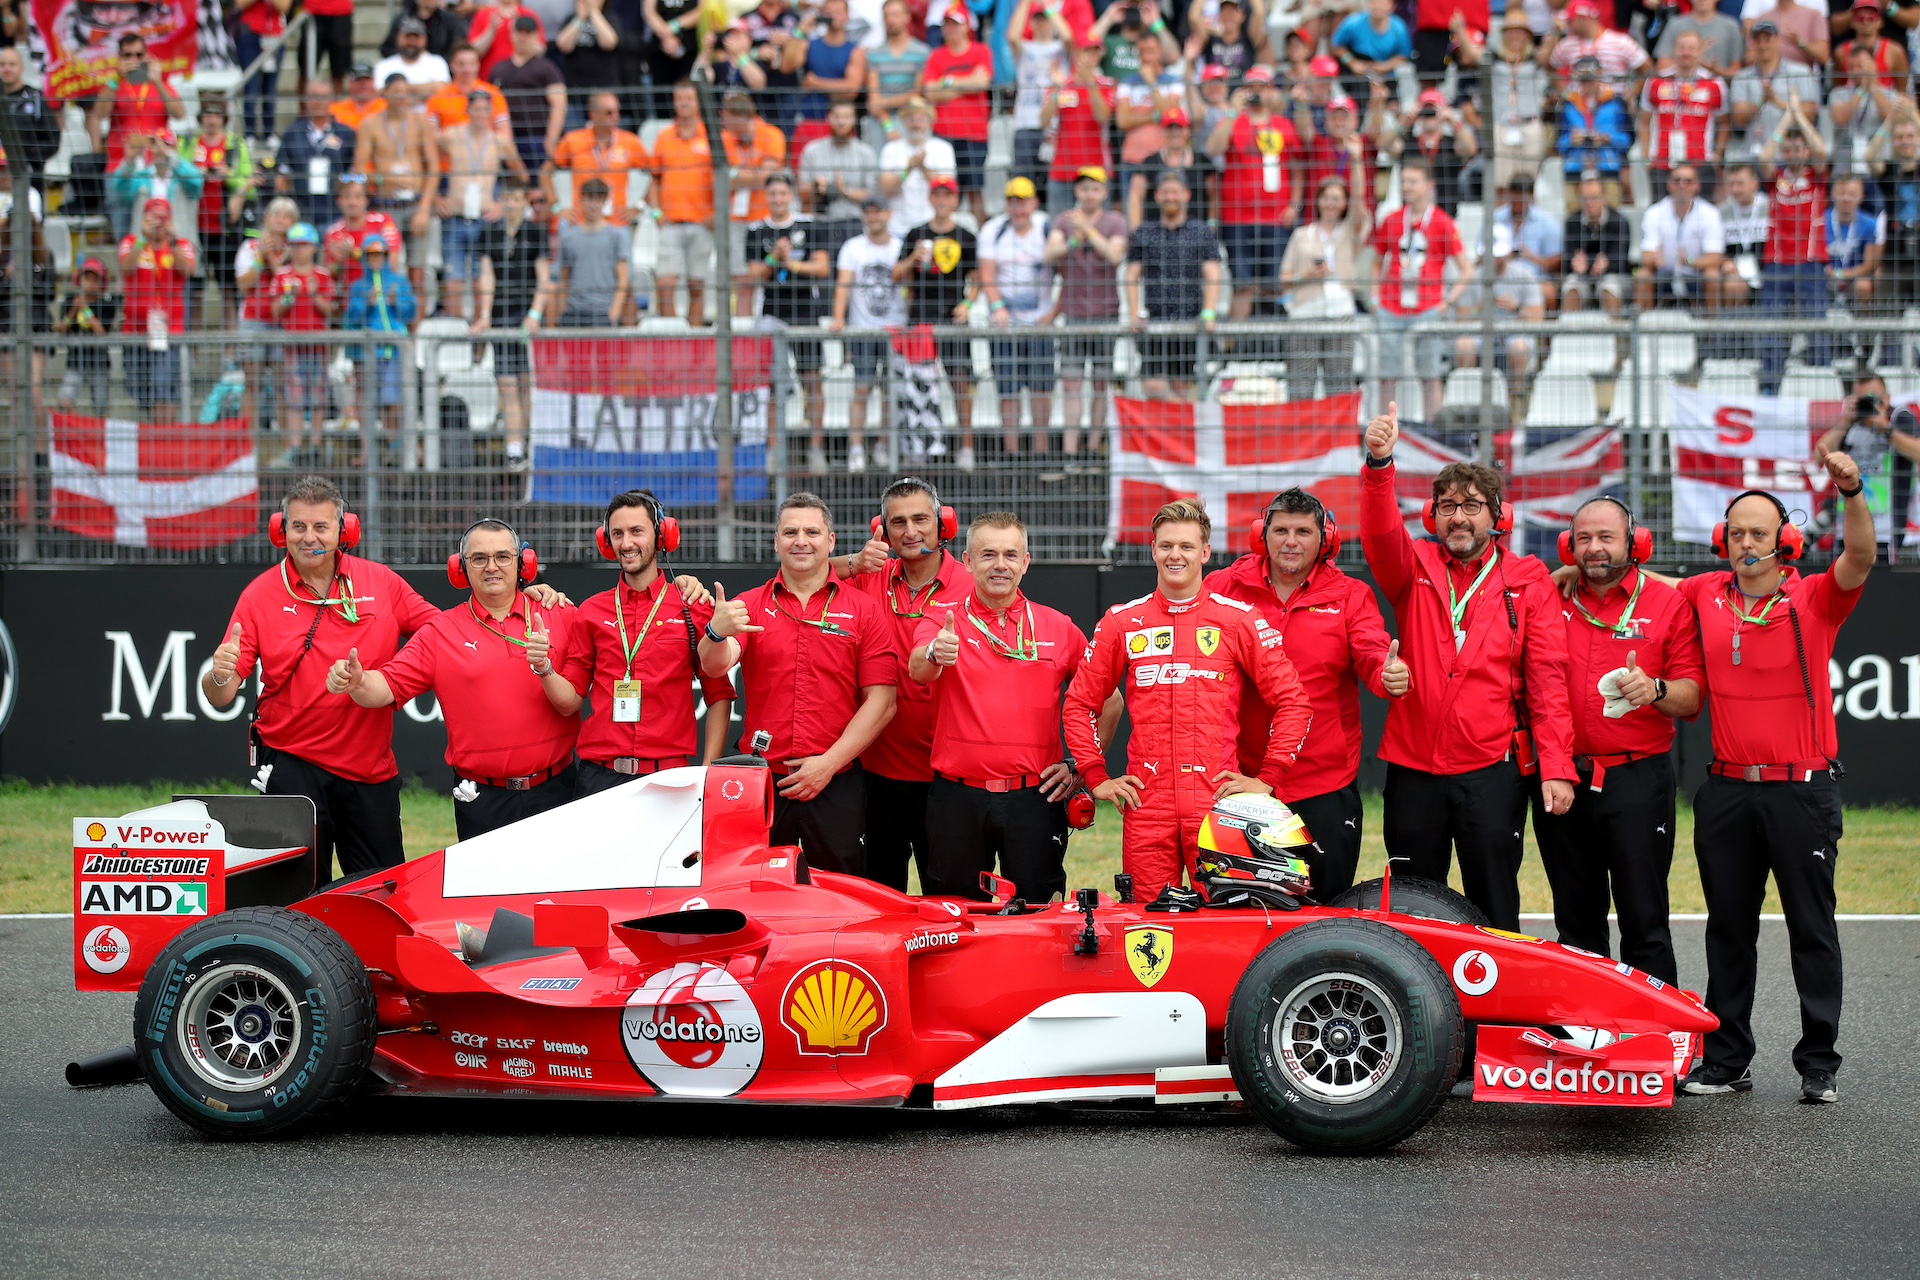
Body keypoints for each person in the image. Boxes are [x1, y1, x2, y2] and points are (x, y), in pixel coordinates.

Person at [1674, 457, 1875, 1105]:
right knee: (1728, 929)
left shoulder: (1815, 596)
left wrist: (1850, 491)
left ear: (1785, 540)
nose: (1746, 544)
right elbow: (1639, 587)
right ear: (1721, 540)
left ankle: (1819, 1062)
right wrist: (1570, 571)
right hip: (1728, 791)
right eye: (1736, 533)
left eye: (1759, 533)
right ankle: (1729, 1060)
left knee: (1811, 927)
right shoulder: (1704, 592)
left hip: (1801, 791)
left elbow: (1862, 555)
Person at [1359, 403, 1577, 931]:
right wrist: (1379, 465)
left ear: (1497, 517)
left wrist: (1557, 768)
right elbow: (1380, 534)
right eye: (1447, 506)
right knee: (1413, 906)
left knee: (1495, 905)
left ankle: (1497, 1011)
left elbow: (1548, 680)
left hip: (1492, 771)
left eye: (1472, 506)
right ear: (1432, 516)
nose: (1459, 516)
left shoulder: (1528, 580)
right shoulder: (1413, 567)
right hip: (1415, 768)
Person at [1062, 499, 1313, 903]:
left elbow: (1294, 703)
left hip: (1216, 806)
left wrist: (1267, 779)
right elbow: (1079, 704)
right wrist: (1096, 776)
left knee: (1223, 924)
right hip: (1147, 805)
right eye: (1166, 546)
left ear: (1205, 552)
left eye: (1186, 546)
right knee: (1149, 930)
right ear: (1153, 549)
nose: (1175, 555)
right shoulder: (1123, 621)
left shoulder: (1239, 619)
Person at [202, 477, 440, 881]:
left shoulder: (381, 582)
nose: (309, 537)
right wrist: (218, 674)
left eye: (321, 527)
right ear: (281, 530)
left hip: (370, 769)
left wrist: (524, 594)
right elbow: (221, 696)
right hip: (293, 765)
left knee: (381, 895)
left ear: (343, 530)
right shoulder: (259, 595)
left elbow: (444, 633)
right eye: (298, 526)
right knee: (295, 897)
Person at [1537, 498, 1705, 984]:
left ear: (1635, 543)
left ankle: (1656, 1040)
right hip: (1563, 777)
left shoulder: (1667, 604)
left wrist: (1654, 690)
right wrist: (1552, 578)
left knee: (1644, 920)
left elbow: (1691, 696)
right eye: (1584, 538)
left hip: (1638, 780)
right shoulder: (1551, 597)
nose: (1594, 548)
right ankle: (1585, 1040)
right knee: (1576, 922)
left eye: (1606, 538)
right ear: (1569, 545)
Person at [329, 518, 581, 840]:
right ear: (461, 568)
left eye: (503, 556)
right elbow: (385, 686)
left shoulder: (561, 614)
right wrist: (358, 682)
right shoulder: (441, 632)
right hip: (483, 800)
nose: (492, 566)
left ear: (523, 564)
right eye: (479, 558)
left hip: (559, 790)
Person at [1203, 490, 1400, 898]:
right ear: (1263, 536)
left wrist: (1386, 672)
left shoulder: (1350, 595)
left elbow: (1370, 650)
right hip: (1243, 781)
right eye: (1281, 530)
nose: (1290, 541)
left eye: (1303, 532)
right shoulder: (1224, 586)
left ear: (1324, 540)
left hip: (1323, 784)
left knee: (1324, 908)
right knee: (1244, 908)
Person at [698, 493, 899, 876]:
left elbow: (883, 702)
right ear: (776, 542)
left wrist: (828, 764)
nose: (801, 541)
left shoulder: (864, 609)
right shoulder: (750, 605)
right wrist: (715, 632)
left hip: (835, 779)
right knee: (755, 893)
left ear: (831, 541)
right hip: (762, 780)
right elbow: (715, 664)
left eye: (812, 531)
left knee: (842, 899)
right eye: (790, 532)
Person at [909, 512, 1092, 901]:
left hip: (1034, 800)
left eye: (1011, 555)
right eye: (988, 554)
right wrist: (934, 651)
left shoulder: (1058, 626)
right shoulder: (943, 621)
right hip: (958, 800)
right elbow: (918, 669)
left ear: (1025, 563)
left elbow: (1107, 698)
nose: (1000, 565)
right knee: (954, 915)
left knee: (1038, 915)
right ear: (967, 561)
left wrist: (1081, 764)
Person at [833, 478, 970, 892]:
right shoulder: (867, 575)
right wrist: (856, 561)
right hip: (877, 774)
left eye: (920, 520)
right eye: (898, 522)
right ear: (883, 530)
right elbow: (801, 568)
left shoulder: (972, 584)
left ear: (944, 524)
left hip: (947, 778)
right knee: (876, 899)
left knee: (948, 902)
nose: (910, 532)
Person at [563, 492, 735, 795]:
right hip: (598, 778)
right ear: (606, 542)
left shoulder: (692, 606)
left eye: (636, 531)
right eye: (617, 534)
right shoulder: (590, 611)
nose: (626, 543)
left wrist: (709, 769)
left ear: (661, 536)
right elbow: (570, 696)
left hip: (669, 778)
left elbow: (718, 693)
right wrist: (544, 667)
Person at [1371, 160, 1471, 422]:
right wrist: (1374, 297)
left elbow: (1466, 270)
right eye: (1404, 181)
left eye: (1413, 181)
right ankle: (1385, 429)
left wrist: (1447, 302)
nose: (1408, 187)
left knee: (1430, 373)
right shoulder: (1392, 221)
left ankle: (1433, 428)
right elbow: (1375, 261)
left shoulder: (1443, 223)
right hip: (1391, 306)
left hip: (1427, 307)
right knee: (1387, 374)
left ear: (1429, 186)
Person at [1207, 67, 1303, 325]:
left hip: (1276, 217)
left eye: (1262, 87)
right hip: (1237, 218)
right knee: (1243, 285)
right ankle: (1237, 349)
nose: (1256, 92)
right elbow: (1213, 149)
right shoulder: (1233, 121)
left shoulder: (1283, 125)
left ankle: (1276, 347)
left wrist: (1294, 203)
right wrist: (1231, 112)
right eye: (1252, 87)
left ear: (1271, 91)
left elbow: (1296, 168)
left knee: (1275, 284)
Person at [894, 176, 979, 468]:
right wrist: (912, 259)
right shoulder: (915, 234)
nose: (942, 201)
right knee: (918, 385)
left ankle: (966, 447)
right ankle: (919, 447)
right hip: (921, 316)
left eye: (948, 196)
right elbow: (897, 275)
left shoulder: (966, 236)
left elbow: (977, 278)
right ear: (931, 199)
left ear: (955, 200)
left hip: (952, 317)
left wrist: (968, 304)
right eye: (937, 196)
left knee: (960, 383)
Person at [1046, 166, 1126, 461]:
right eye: (1084, 188)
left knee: (1101, 383)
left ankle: (1092, 448)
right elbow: (1049, 252)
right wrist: (1074, 239)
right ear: (1076, 192)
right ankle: (1070, 451)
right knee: (1072, 384)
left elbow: (1114, 255)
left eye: (1095, 188)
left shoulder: (1115, 221)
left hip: (1106, 313)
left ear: (1104, 193)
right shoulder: (1065, 221)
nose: (1089, 194)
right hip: (1073, 314)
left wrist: (1088, 231)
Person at [1124, 168, 1223, 402]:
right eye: (1166, 192)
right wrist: (1133, 314)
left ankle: (1182, 431)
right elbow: (1131, 275)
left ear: (1186, 195)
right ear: (1157, 196)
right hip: (1155, 321)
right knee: (1152, 385)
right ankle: (1181, 416)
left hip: (1190, 321)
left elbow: (1213, 274)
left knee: (1183, 385)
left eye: (1175, 192)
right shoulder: (1144, 233)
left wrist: (1208, 313)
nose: (1170, 197)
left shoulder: (1200, 232)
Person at [476, 177, 554, 467]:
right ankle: (514, 448)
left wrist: (535, 314)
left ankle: (533, 443)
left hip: (527, 317)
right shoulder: (489, 233)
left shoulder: (536, 232)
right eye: (506, 197)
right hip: (501, 317)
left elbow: (544, 279)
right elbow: (487, 276)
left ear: (524, 202)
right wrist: (484, 314)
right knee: (507, 384)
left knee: (527, 383)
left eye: (516, 198)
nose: (511, 203)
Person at [978, 177, 1055, 461]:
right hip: (1004, 325)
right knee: (1007, 390)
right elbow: (986, 273)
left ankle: (1041, 451)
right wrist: (998, 306)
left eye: (1023, 201)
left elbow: (1067, 269)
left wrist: (1053, 312)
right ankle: (1011, 451)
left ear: (1034, 203)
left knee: (1041, 390)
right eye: (1013, 201)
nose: (1018, 208)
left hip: (1039, 323)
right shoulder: (993, 230)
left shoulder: (1047, 228)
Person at [828, 198, 907, 474]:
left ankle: (883, 445)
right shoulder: (853, 247)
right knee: (862, 389)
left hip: (895, 328)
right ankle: (856, 448)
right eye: (868, 212)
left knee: (890, 392)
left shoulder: (900, 246)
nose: (872, 217)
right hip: (862, 329)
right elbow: (843, 285)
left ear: (889, 213)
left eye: (877, 211)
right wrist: (839, 318)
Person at [89, 33, 186, 240]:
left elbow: (179, 114)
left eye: (138, 55)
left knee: (156, 233)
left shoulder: (159, 83)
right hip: (121, 165)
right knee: (124, 234)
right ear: (119, 57)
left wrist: (158, 82)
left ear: (147, 56)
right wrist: (116, 79)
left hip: (155, 169)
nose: (134, 60)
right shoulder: (114, 83)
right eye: (128, 55)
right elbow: (99, 113)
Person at [1279, 175, 1369, 393]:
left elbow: (1359, 198)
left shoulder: (1350, 232)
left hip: (1340, 312)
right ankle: (1301, 427)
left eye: (1337, 198)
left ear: (1345, 203)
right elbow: (1284, 279)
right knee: (1301, 382)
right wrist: (1306, 275)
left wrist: (1356, 159)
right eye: (1326, 197)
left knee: (1339, 382)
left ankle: (1338, 428)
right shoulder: (1302, 235)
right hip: (1305, 313)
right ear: (1318, 200)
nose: (1331, 203)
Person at [353, 77, 440, 299]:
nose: (401, 97)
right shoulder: (370, 124)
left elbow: (434, 167)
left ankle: (416, 330)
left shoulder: (420, 122)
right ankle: (386, 319)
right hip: (385, 204)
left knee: (418, 269)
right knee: (384, 264)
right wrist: (386, 180)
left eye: (405, 91)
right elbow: (359, 169)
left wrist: (424, 208)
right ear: (384, 94)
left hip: (415, 203)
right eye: (396, 91)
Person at [1758, 119, 1830, 380]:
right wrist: (1786, 120)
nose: (1792, 154)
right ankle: (1770, 382)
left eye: (1798, 149)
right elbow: (1764, 158)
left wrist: (1799, 117)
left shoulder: (1816, 177)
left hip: (1811, 261)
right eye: (1787, 150)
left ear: (1806, 151)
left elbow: (1821, 152)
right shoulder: (1776, 179)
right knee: (1772, 328)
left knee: (1816, 325)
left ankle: (1821, 379)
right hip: (1777, 262)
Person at [437, 88, 508, 322]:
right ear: (467, 110)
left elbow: (520, 175)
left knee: (481, 278)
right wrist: (436, 196)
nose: (480, 113)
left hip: (484, 218)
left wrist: (502, 204)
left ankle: (478, 333)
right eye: (476, 109)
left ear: (490, 111)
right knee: (453, 276)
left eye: (485, 109)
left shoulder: (499, 142)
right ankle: (455, 329)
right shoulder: (451, 136)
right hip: (455, 216)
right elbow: (426, 159)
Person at [647, 82, 715, 322]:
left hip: (701, 222)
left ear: (698, 102)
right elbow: (654, 179)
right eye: (680, 98)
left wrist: (716, 213)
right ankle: (672, 336)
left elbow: (722, 178)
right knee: (665, 284)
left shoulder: (711, 136)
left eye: (689, 98)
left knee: (697, 285)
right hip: (670, 222)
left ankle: (694, 340)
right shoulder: (664, 137)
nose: (684, 103)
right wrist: (656, 213)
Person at [118, 197, 193, 416]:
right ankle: (151, 441)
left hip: (169, 332)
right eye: (153, 217)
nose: (158, 223)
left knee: (164, 391)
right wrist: (143, 239)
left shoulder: (181, 245)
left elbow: (186, 270)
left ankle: (164, 443)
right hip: (135, 330)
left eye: (163, 218)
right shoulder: (131, 242)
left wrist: (174, 240)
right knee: (141, 393)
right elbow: (126, 268)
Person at [919, 8, 995, 222]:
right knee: (944, 189)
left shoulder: (980, 51)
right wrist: (966, 82)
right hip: (943, 133)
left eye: (956, 24)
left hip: (974, 134)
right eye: (947, 24)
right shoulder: (936, 55)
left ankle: (979, 242)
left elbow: (982, 82)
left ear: (967, 27)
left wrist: (948, 81)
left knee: (974, 190)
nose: (950, 29)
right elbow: (930, 92)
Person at [270, 224, 338, 459]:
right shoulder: (282, 275)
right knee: (294, 397)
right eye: (295, 246)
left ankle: (316, 445)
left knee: (318, 395)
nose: (299, 251)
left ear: (314, 247)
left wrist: (313, 294)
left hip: (318, 344)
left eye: (304, 245)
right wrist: (289, 296)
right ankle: (296, 446)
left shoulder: (323, 275)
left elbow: (330, 310)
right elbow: (276, 311)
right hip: (292, 345)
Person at [719, 92, 789, 311]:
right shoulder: (724, 139)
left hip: (766, 219)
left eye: (726, 116)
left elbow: (766, 178)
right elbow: (719, 178)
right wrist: (748, 175)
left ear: (740, 116)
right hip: (737, 218)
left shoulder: (771, 135)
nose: (722, 121)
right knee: (742, 281)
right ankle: (743, 338)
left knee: (773, 276)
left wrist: (735, 174)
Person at [1640, 31, 1729, 203]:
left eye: (1691, 48)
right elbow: (1643, 121)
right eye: (1681, 48)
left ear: (1700, 51)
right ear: (1674, 50)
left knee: (1702, 216)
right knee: (1660, 218)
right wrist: (1646, 156)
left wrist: (1717, 155)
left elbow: (1725, 123)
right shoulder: (1656, 82)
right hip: (1662, 163)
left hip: (1701, 162)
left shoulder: (1714, 83)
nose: (1686, 52)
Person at [343, 234, 415, 441]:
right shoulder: (358, 286)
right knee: (369, 400)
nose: (376, 259)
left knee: (392, 399)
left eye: (380, 255)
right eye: (371, 255)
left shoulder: (398, 282)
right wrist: (368, 303)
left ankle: (398, 443)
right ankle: (375, 448)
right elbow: (355, 316)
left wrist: (395, 303)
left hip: (394, 351)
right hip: (370, 353)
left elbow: (409, 313)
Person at [547, 91, 651, 229]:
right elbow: (545, 173)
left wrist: (639, 207)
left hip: (617, 224)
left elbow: (658, 175)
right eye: (609, 112)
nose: (616, 117)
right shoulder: (573, 141)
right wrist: (557, 208)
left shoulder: (630, 142)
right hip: (581, 225)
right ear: (593, 114)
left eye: (617, 111)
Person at [1729, 21, 1824, 164]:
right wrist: (1761, 101)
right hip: (1754, 154)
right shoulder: (1742, 77)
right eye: (1757, 40)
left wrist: (1777, 102)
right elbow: (1738, 119)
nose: (1762, 45)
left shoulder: (1800, 72)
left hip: (1790, 155)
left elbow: (1810, 113)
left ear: (1778, 40)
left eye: (1767, 40)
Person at [1636, 163, 1727, 313]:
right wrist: (1654, 260)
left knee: (1712, 275)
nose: (1682, 185)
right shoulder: (1654, 213)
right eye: (1677, 181)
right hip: (1664, 274)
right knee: (1643, 275)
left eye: (1688, 181)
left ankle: (1711, 331)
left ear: (1697, 186)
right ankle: (1645, 329)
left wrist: (1690, 261)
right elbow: (1646, 256)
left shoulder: (1710, 214)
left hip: (1696, 275)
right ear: (1669, 185)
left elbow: (1716, 257)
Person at [1043, 36, 1116, 215]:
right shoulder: (1061, 84)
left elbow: (1103, 117)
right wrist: (1057, 90)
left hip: (1097, 170)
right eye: (1086, 51)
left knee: (1098, 228)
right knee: (1059, 228)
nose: (1091, 57)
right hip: (1062, 169)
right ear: (1075, 53)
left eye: (1095, 52)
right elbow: (1043, 121)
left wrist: (1090, 83)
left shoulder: (1107, 85)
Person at [553, 178, 633, 326]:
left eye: (598, 199)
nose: (593, 204)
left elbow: (623, 278)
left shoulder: (617, 236)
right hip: (573, 312)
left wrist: (614, 312)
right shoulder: (568, 237)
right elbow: (564, 278)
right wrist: (562, 310)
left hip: (603, 311)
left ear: (605, 201)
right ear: (581, 200)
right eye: (589, 198)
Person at [276, 88, 359, 230]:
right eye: (314, 96)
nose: (318, 102)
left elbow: (354, 171)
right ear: (306, 100)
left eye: (323, 97)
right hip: (301, 210)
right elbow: (282, 174)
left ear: (332, 100)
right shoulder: (293, 132)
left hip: (336, 211)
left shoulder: (346, 133)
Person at [494, 16, 568, 172]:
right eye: (519, 32)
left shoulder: (547, 68)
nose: (522, 37)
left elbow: (559, 104)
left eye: (527, 33)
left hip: (536, 137)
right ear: (511, 34)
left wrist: (551, 140)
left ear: (535, 36)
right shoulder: (498, 69)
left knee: (538, 188)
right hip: (506, 139)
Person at [1558, 56, 1634, 208]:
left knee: (1611, 214)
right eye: (1583, 80)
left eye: (1591, 80)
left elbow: (1629, 140)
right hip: (1576, 168)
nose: (1587, 85)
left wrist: (1608, 138)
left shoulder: (1616, 102)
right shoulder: (1568, 104)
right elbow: (1558, 144)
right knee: (1574, 215)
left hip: (1608, 167)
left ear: (1599, 77)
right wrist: (1571, 140)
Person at [877, 97, 957, 238]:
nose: (916, 124)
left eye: (921, 120)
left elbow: (948, 189)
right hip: (898, 227)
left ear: (930, 122)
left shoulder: (943, 148)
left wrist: (923, 168)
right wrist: (907, 170)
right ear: (903, 122)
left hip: (932, 226)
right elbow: (884, 189)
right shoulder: (891, 149)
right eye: (911, 120)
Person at [1006, 0, 1066, 187]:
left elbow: (1069, 36)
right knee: (1024, 182)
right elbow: (1012, 37)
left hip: (1055, 126)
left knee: (1053, 182)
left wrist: (1048, 8)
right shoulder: (1025, 48)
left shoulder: (1060, 49)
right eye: (1037, 19)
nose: (1041, 23)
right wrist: (1025, 3)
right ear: (1030, 22)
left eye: (1045, 19)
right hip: (1025, 124)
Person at [784, 0, 868, 127]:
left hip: (841, 121)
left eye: (838, 12)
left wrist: (815, 83)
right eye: (829, 13)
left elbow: (851, 89)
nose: (833, 17)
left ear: (847, 15)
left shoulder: (855, 51)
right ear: (822, 14)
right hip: (810, 117)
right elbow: (786, 66)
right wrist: (799, 31)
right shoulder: (809, 45)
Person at [1561, 176, 1632, 316]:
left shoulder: (1620, 222)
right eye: (1585, 198)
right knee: (1571, 288)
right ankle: (1568, 334)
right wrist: (1575, 264)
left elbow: (1622, 259)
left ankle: (1614, 334)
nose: (1590, 203)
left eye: (1594, 198)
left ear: (1604, 197)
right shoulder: (1572, 222)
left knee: (1609, 288)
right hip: (1580, 276)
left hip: (1612, 274)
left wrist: (1606, 264)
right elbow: (1568, 257)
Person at [53, 258, 116, 413]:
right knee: (64, 400)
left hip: (99, 363)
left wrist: (85, 309)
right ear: (79, 280)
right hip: (75, 362)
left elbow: (101, 332)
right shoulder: (69, 301)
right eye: (86, 278)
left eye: (95, 279)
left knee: (101, 408)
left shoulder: (107, 304)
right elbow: (63, 328)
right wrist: (74, 309)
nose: (90, 283)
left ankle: (96, 435)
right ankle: (76, 430)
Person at [799, 99, 880, 220]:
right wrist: (815, 188)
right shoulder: (812, 150)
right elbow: (800, 192)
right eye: (837, 116)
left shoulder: (866, 152)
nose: (841, 122)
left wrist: (844, 191)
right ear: (828, 118)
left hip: (856, 221)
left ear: (854, 119)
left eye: (847, 117)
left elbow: (873, 196)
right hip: (821, 221)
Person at [865, 0, 931, 141]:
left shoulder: (922, 52)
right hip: (881, 122)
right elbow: (873, 98)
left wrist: (883, 103)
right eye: (886, 16)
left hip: (912, 119)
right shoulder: (874, 54)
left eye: (895, 15)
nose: (890, 20)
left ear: (907, 17)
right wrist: (889, 126)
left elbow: (917, 93)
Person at [375, 16, 455, 90]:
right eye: (408, 37)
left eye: (416, 38)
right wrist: (426, 90)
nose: (412, 42)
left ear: (425, 39)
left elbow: (443, 89)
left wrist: (398, 88)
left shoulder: (437, 63)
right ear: (398, 38)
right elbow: (378, 93)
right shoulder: (384, 65)